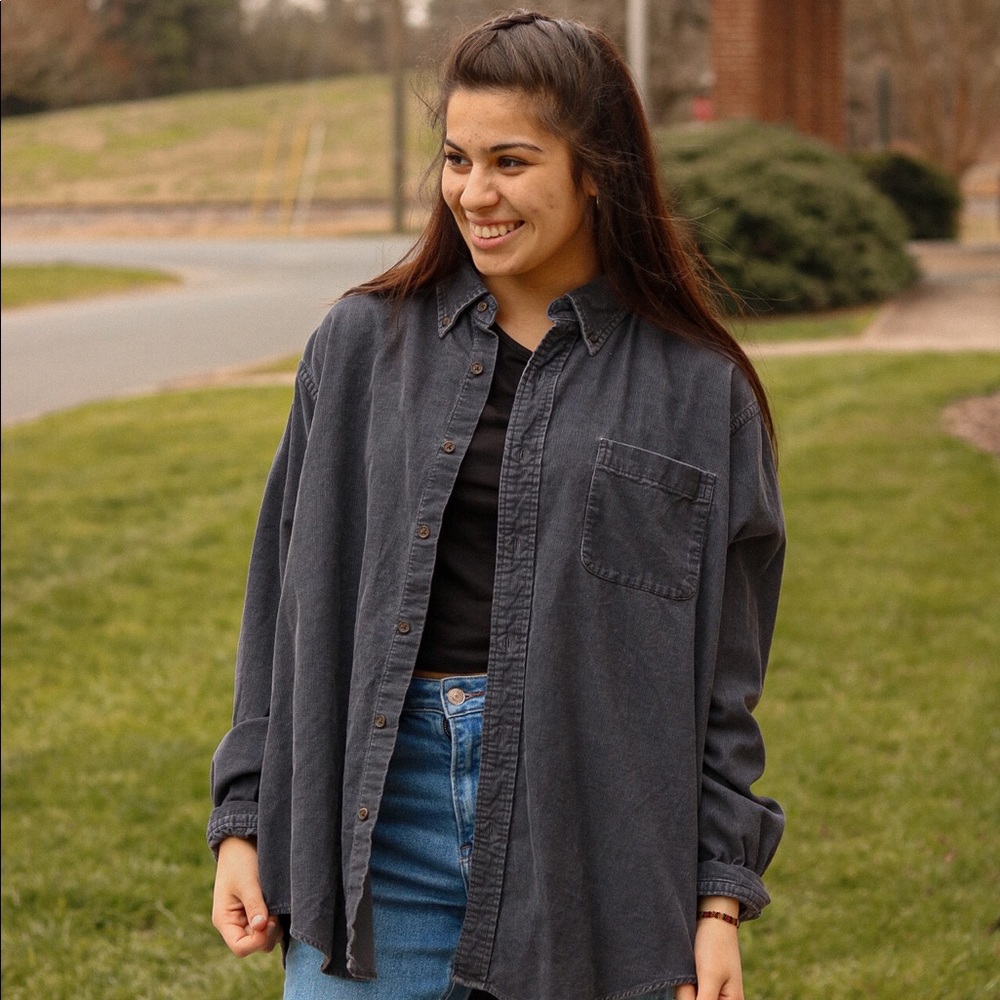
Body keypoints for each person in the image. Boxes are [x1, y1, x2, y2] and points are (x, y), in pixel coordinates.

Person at [209, 11, 785, 1000]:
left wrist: (716, 900)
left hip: (591, 851)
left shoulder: (699, 392)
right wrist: (244, 819)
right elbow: (283, 601)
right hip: (378, 834)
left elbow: (721, 684)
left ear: (596, 171)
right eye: (457, 158)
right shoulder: (359, 348)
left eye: (511, 162)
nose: (476, 193)